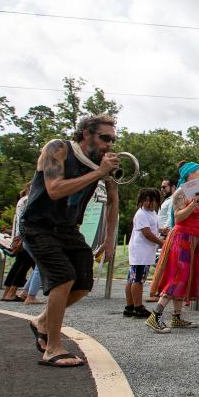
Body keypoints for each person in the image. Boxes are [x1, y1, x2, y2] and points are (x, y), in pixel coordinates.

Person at [24, 114, 120, 367]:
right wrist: (98, 172)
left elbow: (113, 200)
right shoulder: (58, 148)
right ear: (87, 133)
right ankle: (53, 348)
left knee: (83, 282)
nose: (109, 144)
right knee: (63, 277)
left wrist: (110, 240)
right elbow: (54, 189)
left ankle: (42, 321)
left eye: (112, 139)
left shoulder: (98, 162)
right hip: (39, 224)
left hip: (67, 228)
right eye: (105, 138)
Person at [145, 161, 199, 333]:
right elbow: (178, 218)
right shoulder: (181, 192)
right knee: (178, 275)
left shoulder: (198, 191)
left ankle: (177, 317)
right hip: (181, 238)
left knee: (185, 276)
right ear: (190, 174)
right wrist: (193, 204)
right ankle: (155, 315)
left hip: (194, 239)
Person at [124, 188, 163, 318]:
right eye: (146, 200)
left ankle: (129, 307)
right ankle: (138, 307)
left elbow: (152, 227)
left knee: (132, 278)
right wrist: (161, 242)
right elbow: (146, 233)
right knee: (138, 279)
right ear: (141, 201)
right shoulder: (141, 213)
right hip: (141, 251)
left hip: (144, 251)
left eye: (152, 201)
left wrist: (162, 230)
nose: (149, 204)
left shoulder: (152, 213)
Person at [0, 185, 35, 302]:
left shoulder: (21, 201)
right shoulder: (27, 200)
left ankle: (7, 292)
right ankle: (13, 292)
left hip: (20, 236)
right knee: (24, 265)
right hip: (26, 236)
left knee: (19, 264)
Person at [147, 177, 177, 302]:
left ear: (172, 187)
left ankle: (161, 292)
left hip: (166, 235)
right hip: (162, 234)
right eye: (161, 187)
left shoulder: (173, 200)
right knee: (160, 264)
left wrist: (164, 235)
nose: (162, 189)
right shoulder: (167, 200)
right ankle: (160, 291)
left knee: (163, 264)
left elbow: (171, 218)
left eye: (164, 187)